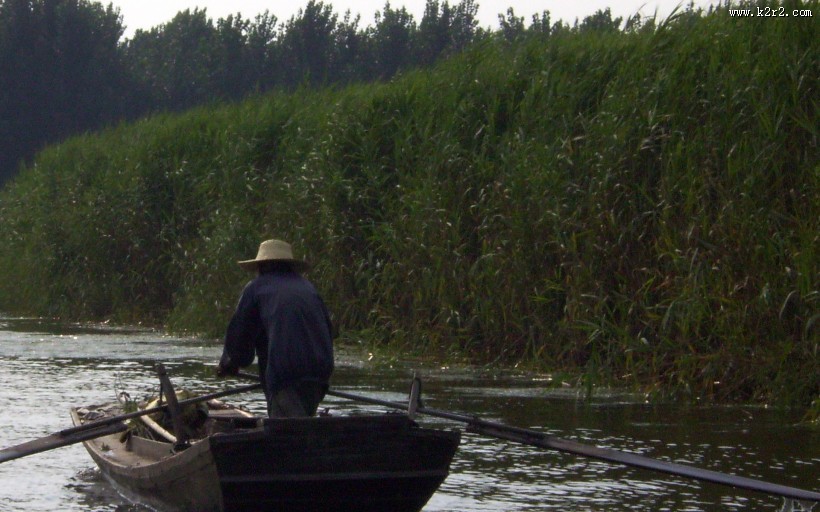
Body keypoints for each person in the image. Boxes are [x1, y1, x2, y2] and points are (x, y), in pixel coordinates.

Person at [217, 239, 334, 418]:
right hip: (320, 370)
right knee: (304, 424)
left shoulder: (256, 288)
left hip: (287, 373)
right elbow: (330, 331)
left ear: (262, 266)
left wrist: (230, 364)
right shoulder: (308, 288)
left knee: (288, 434)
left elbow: (240, 336)